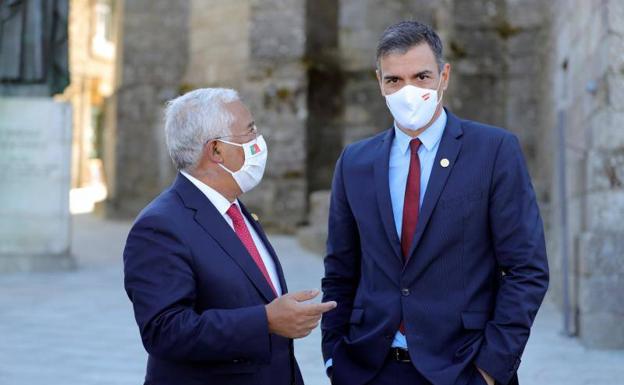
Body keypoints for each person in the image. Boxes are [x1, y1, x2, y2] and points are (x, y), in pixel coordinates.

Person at [321, 21, 549, 385]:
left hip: (463, 366)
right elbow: (340, 270)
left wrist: (491, 368)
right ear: (379, 81)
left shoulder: (493, 151)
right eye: (394, 80)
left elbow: (526, 268)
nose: (408, 91)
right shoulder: (354, 162)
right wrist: (334, 356)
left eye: (421, 76)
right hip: (369, 368)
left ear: (444, 76)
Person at [123, 88, 336, 385]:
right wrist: (266, 320)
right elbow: (165, 330)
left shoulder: (233, 208)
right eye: (248, 132)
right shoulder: (160, 226)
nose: (258, 141)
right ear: (216, 151)